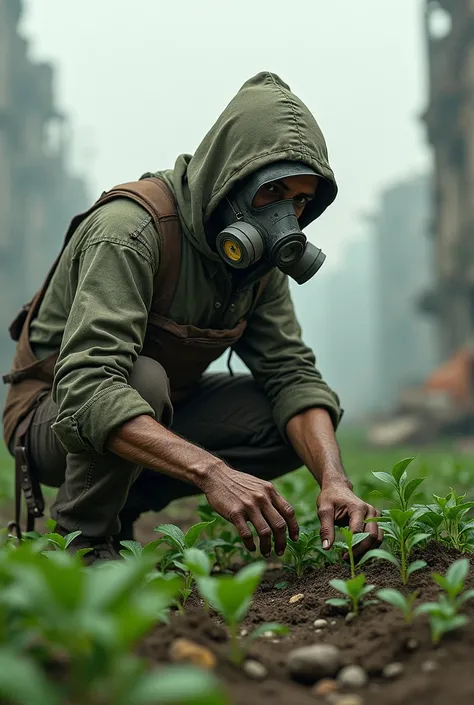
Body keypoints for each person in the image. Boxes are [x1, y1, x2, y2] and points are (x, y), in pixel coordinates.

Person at [2, 71, 382, 565]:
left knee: (286, 416)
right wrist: (212, 474)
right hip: (50, 418)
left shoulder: (261, 264)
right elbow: (89, 384)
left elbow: (291, 372)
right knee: (139, 377)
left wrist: (335, 480)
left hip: (162, 409)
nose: (286, 217)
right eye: (273, 193)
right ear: (231, 180)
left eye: (301, 199)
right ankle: (83, 543)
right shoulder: (129, 231)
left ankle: (124, 501)